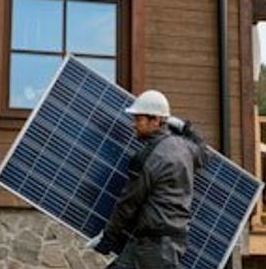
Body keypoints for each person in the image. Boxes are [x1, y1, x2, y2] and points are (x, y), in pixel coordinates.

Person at [87, 90, 206, 268]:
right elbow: (203, 151)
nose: (133, 125)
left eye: (138, 119)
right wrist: (185, 128)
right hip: (167, 244)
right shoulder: (186, 148)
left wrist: (108, 238)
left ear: (156, 120)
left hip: (154, 248)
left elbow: (128, 203)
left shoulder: (147, 157)